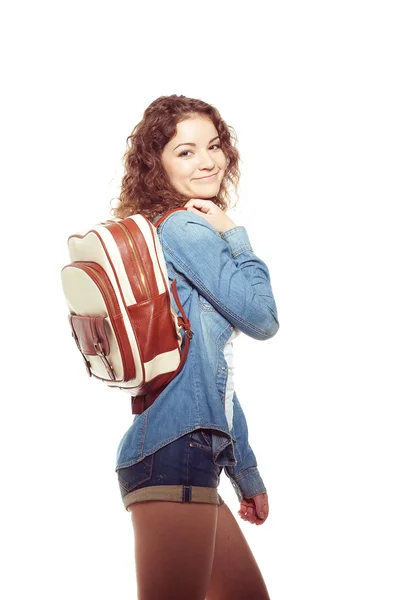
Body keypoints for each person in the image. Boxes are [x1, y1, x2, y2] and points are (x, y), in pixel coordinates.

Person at [112, 94, 279, 600]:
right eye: (185, 151)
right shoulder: (185, 226)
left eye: (214, 145)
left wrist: (244, 472)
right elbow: (262, 318)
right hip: (174, 453)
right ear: (156, 163)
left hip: (187, 451)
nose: (207, 161)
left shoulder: (163, 230)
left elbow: (210, 377)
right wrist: (235, 235)